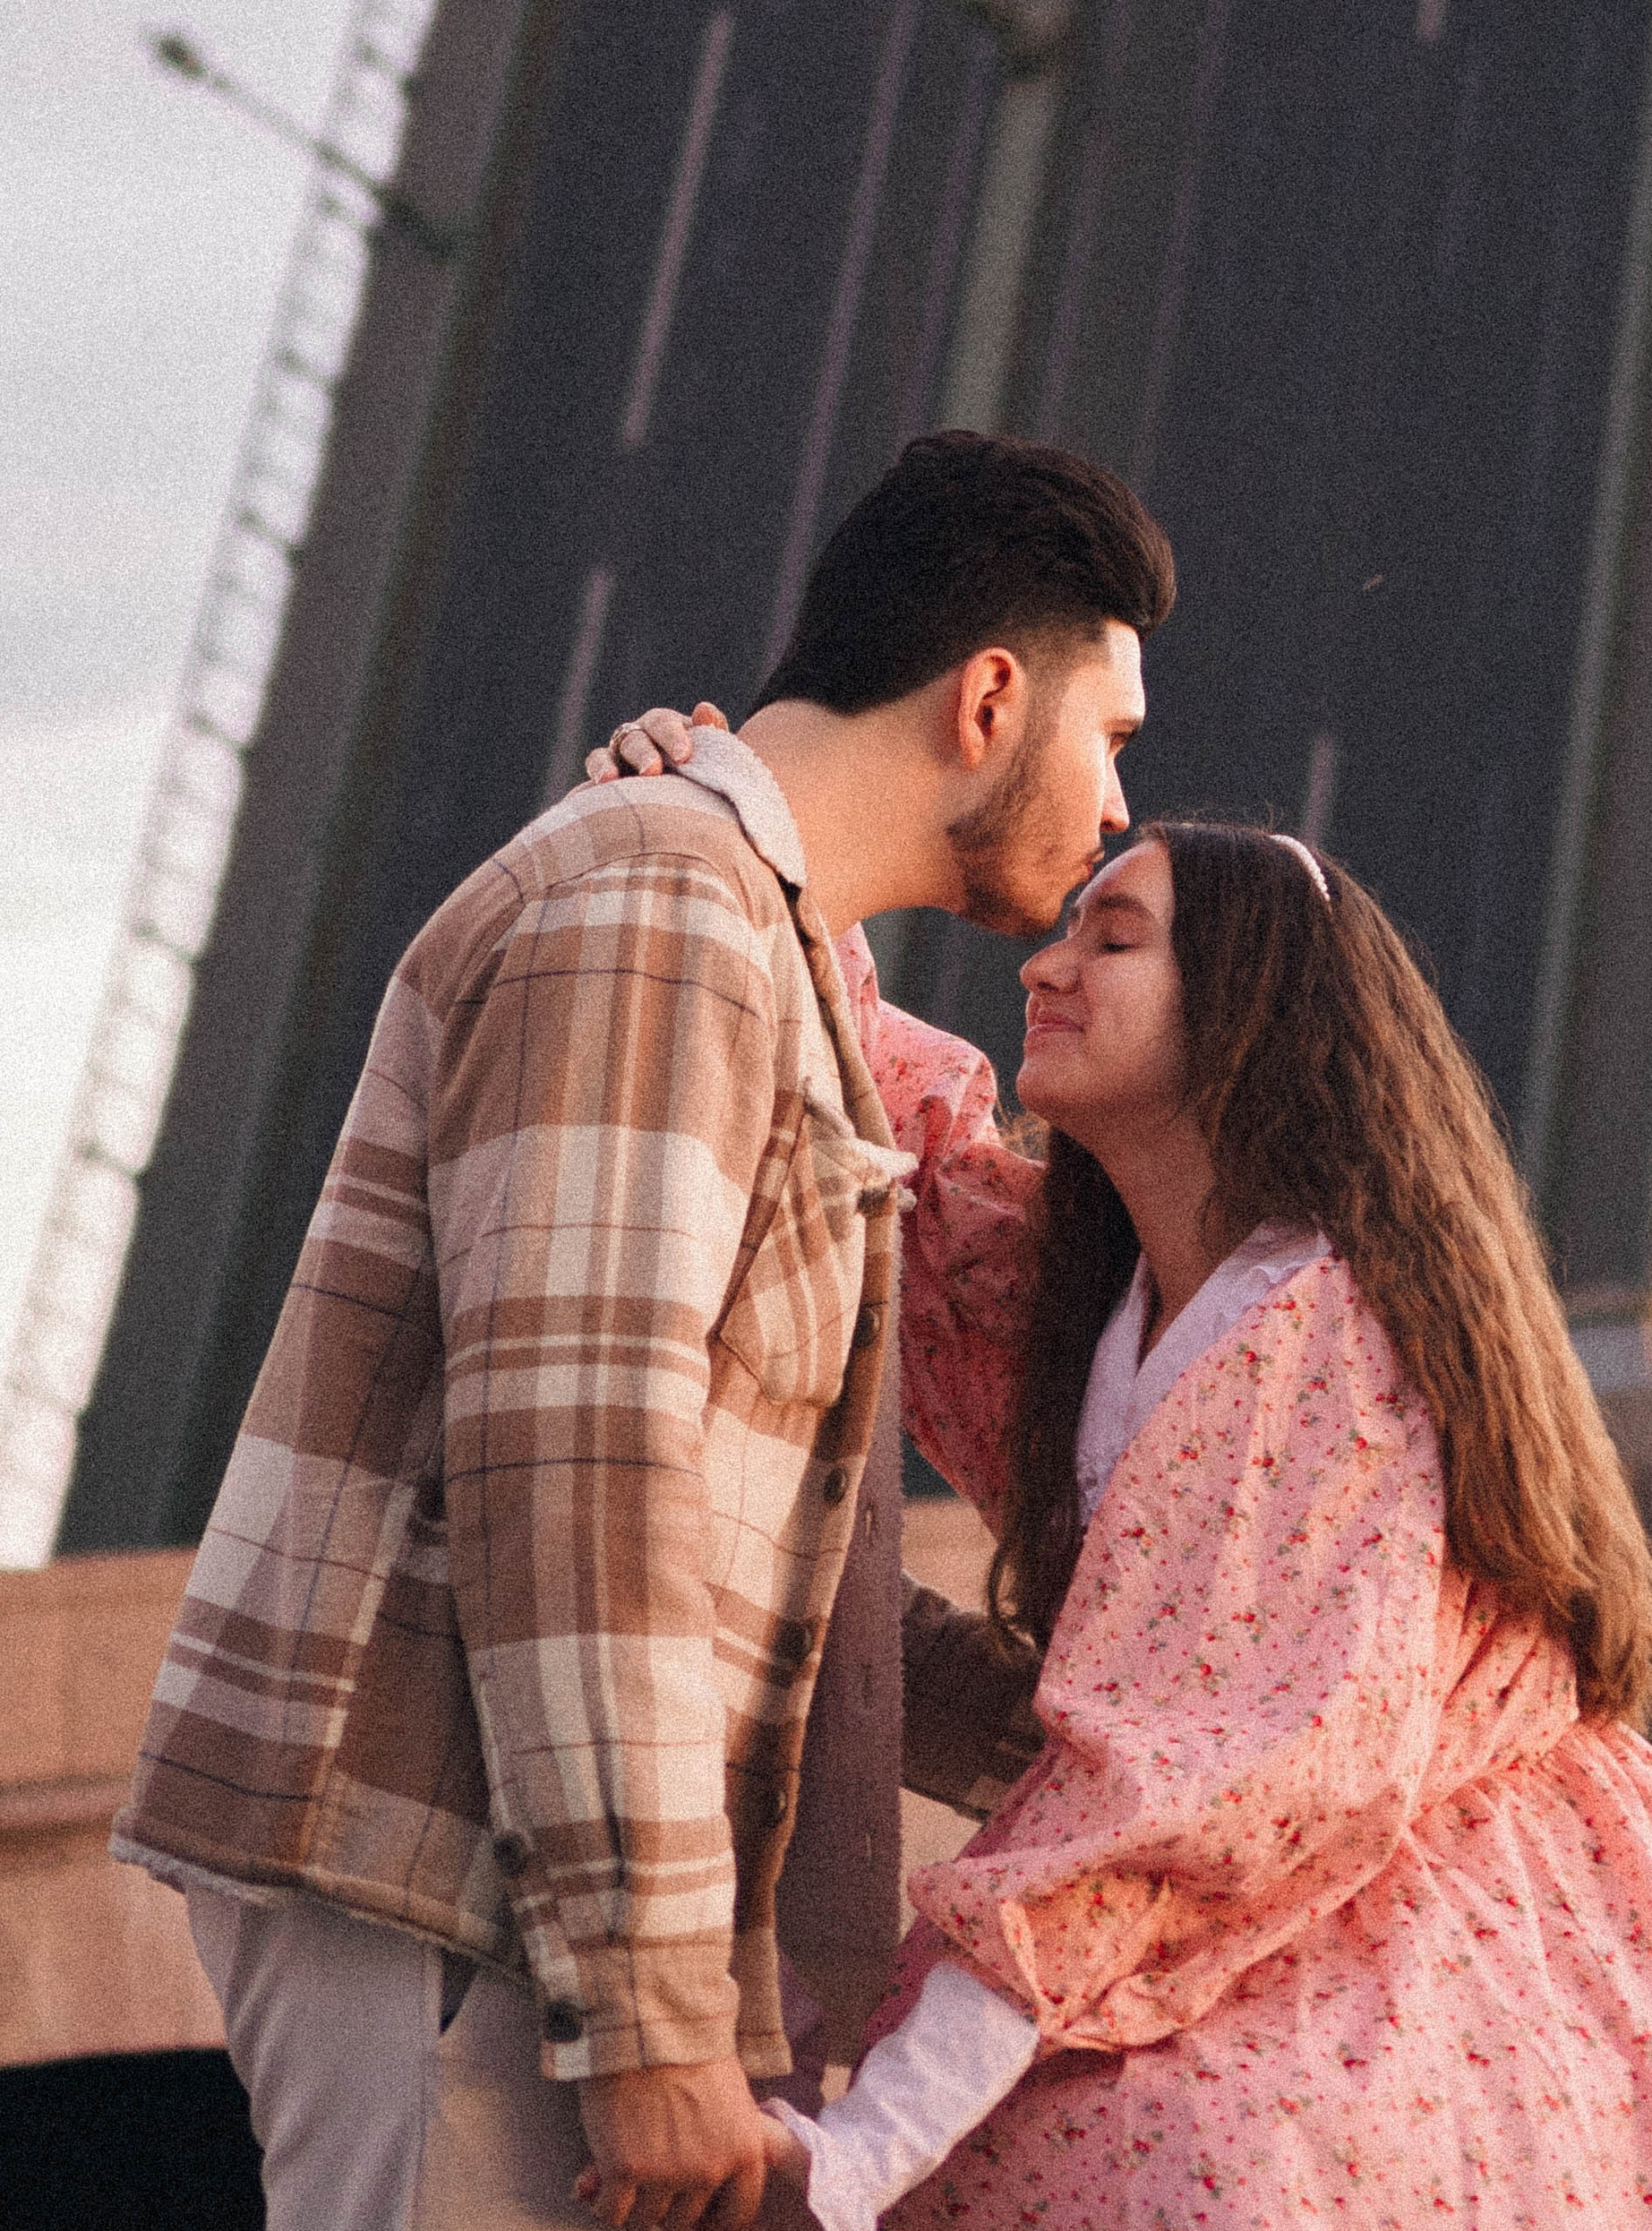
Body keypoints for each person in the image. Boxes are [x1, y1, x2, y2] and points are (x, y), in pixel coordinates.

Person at [111, 430, 1175, 2231]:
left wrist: (1120, 1758)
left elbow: (747, 1565)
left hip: (488, 1880)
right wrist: (657, 2021)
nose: (1118, 810)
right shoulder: (655, 919)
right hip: (438, 1882)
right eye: (1113, 737)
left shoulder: (737, 942)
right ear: (990, 698)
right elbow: (577, 1488)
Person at [742, 817, 1652, 2228]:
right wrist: (764, 842)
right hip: (1282, 1872)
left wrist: (871, 2144)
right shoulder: (1106, 1299)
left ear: (1250, 1011)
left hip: (1437, 1919)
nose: (1044, 971)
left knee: (1164, 2168)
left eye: (1111, 940)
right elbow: (914, 1156)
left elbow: (1179, 1799)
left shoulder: (1323, 1338)